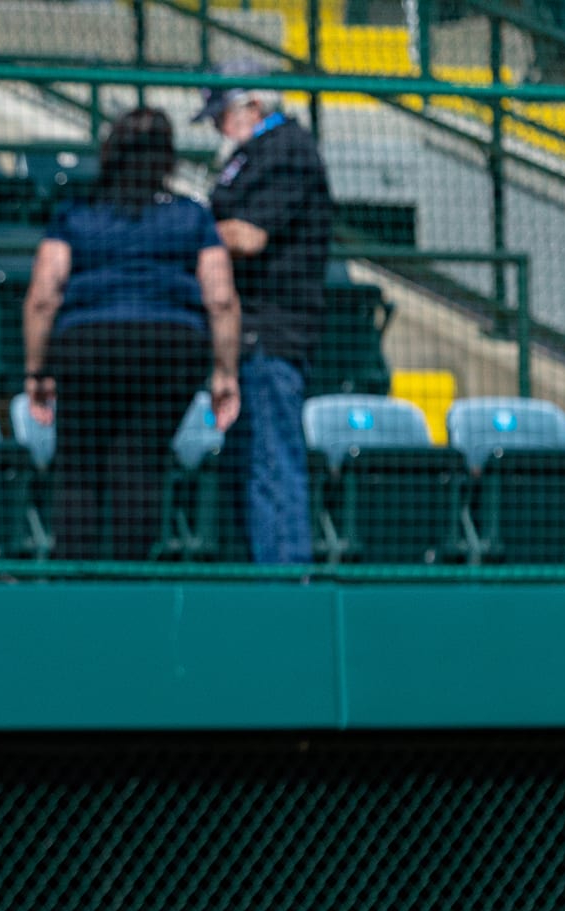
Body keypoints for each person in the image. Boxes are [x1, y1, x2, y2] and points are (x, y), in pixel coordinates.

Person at [23, 108, 242, 561]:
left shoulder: (75, 215)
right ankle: (132, 582)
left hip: (87, 345)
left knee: (79, 466)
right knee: (141, 461)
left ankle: (75, 582)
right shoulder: (192, 216)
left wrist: (37, 369)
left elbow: (44, 293)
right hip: (170, 348)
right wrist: (225, 373)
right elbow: (220, 298)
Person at [198, 79, 334, 564]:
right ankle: (260, 578)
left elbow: (249, 236)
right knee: (248, 466)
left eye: (223, 115)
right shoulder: (250, 155)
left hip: (273, 331)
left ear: (254, 106)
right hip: (244, 333)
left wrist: (183, 229)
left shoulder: (287, 151)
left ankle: (285, 586)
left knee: (273, 465)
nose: (217, 127)